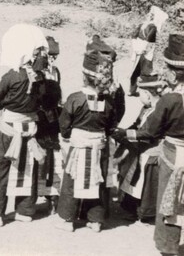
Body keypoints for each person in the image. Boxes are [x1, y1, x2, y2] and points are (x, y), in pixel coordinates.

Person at [113, 33, 184, 255]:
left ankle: (167, 246)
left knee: (169, 199)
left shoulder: (170, 100)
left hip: (173, 154)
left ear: (172, 75)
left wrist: (123, 134)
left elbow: (149, 131)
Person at [0, 24, 49, 227]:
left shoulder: (10, 77)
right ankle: (25, 210)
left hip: (9, 127)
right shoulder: (42, 78)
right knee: (27, 167)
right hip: (30, 127)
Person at [55, 36, 122, 233]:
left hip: (79, 145)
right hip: (99, 146)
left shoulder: (75, 99)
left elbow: (64, 123)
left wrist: (66, 135)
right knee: (98, 181)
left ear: (85, 76)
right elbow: (111, 125)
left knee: (71, 181)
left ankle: (67, 219)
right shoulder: (108, 102)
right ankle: (96, 220)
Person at [115, 73, 168, 223]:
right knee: (135, 180)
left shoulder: (159, 110)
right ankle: (132, 210)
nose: (138, 96)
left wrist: (125, 134)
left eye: (139, 93)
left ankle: (146, 213)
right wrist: (121, 132)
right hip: (140, 151)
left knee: (146, 185)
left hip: (152, 152)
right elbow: (137, 125)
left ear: (147, 94)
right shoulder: (145, 109)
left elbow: (149, 133)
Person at [36, 36, 64, 213]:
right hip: (41, 114)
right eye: (50, 55)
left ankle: (52, 198)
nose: (52, 59)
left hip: (52, 113)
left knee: (53, 158)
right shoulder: (37, 70)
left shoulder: (56, 71)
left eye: (55, 56)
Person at [128, 6, 169, 96]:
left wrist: (143, 48)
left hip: (147, 50)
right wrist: (135, 45)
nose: (149, 16)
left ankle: (147, 91)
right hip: (138, 47)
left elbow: (149, 39)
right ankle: (132, 90)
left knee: (145, 69)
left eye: (151, 15)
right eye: (149, 14)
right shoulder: (142, 25)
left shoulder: (153, 27)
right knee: (136, 69)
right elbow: (134, 34)